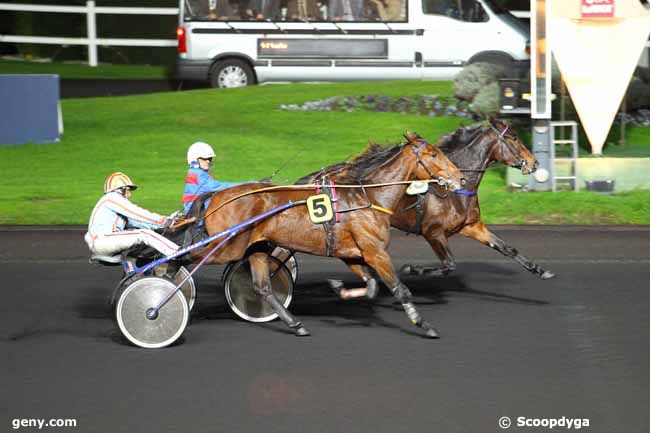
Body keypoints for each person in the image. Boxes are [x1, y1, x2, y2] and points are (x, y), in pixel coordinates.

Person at [84, 172, 180, 259]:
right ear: (121, 189)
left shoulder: (115, 208)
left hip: (104, 241)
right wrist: (164, 221)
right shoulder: (111, 198)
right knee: (144, 234)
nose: (129, 195)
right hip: (103, 241)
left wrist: (168, 221)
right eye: (128, 190)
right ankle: (177, 252)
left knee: (145, 233)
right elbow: (137, 213)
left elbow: (140, 222)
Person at [182, 141, 249, 214]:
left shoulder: (198, 172)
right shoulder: (198, 174)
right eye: (204, 159)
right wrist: (247, 185)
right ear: (194, 159)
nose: (207, 161)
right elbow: (218, 187)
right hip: (197, 212)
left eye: (209, 159)